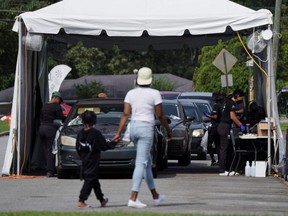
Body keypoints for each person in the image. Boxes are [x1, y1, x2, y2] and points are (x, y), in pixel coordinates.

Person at [113, 67, 172, 208]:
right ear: (151, 79)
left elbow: (126, 114)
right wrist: (168, 130)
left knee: (146, 162)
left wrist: (118, 133)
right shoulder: (155, 93)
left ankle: (155, 196)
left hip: (133, 127)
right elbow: (160, 115)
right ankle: (133, 198)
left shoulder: (130, 94)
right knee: (141, 163)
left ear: (138, 79)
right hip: (146, 128)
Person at [76, 110, 116, 208]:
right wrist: (114, 143)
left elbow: (77, 147)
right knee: (90, 180)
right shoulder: (95, 133)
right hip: (93, 160)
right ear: (94, 120)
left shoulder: (80, 133)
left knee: (94, 181)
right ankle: (81, 201)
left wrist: (82, 156)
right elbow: (104, 146)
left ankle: (101, 200)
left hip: (85, 161)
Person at [217, 89, 246, 176]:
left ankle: (228, 168)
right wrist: (240, 124)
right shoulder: (231, 103)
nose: (241, 99)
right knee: (224, 148)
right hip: (224, 126)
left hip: (224, 126)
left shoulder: (228, 102)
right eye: (241, 97)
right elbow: (232, 117)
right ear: (238, 96)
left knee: (229, 148)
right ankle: (222, 169)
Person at [38, 91, 64, 177]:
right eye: (59, 100)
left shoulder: (44, 106)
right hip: (50, 129)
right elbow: (60, 118)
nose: (59, 102)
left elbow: (41, 117)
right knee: (52, 150)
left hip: (42, 128)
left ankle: (48, 168)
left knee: (45, 150)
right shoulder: (57, 106)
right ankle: (50, 171)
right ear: (57, 98)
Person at [204, 92, 225, 166]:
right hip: (221, 126)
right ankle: (220, 160)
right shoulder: (223, 105)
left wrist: (208, 115)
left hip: (215, 126)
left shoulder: (216, 106)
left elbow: (215, 117)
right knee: (218, 144)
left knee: (209, 144)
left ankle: (213, 160)